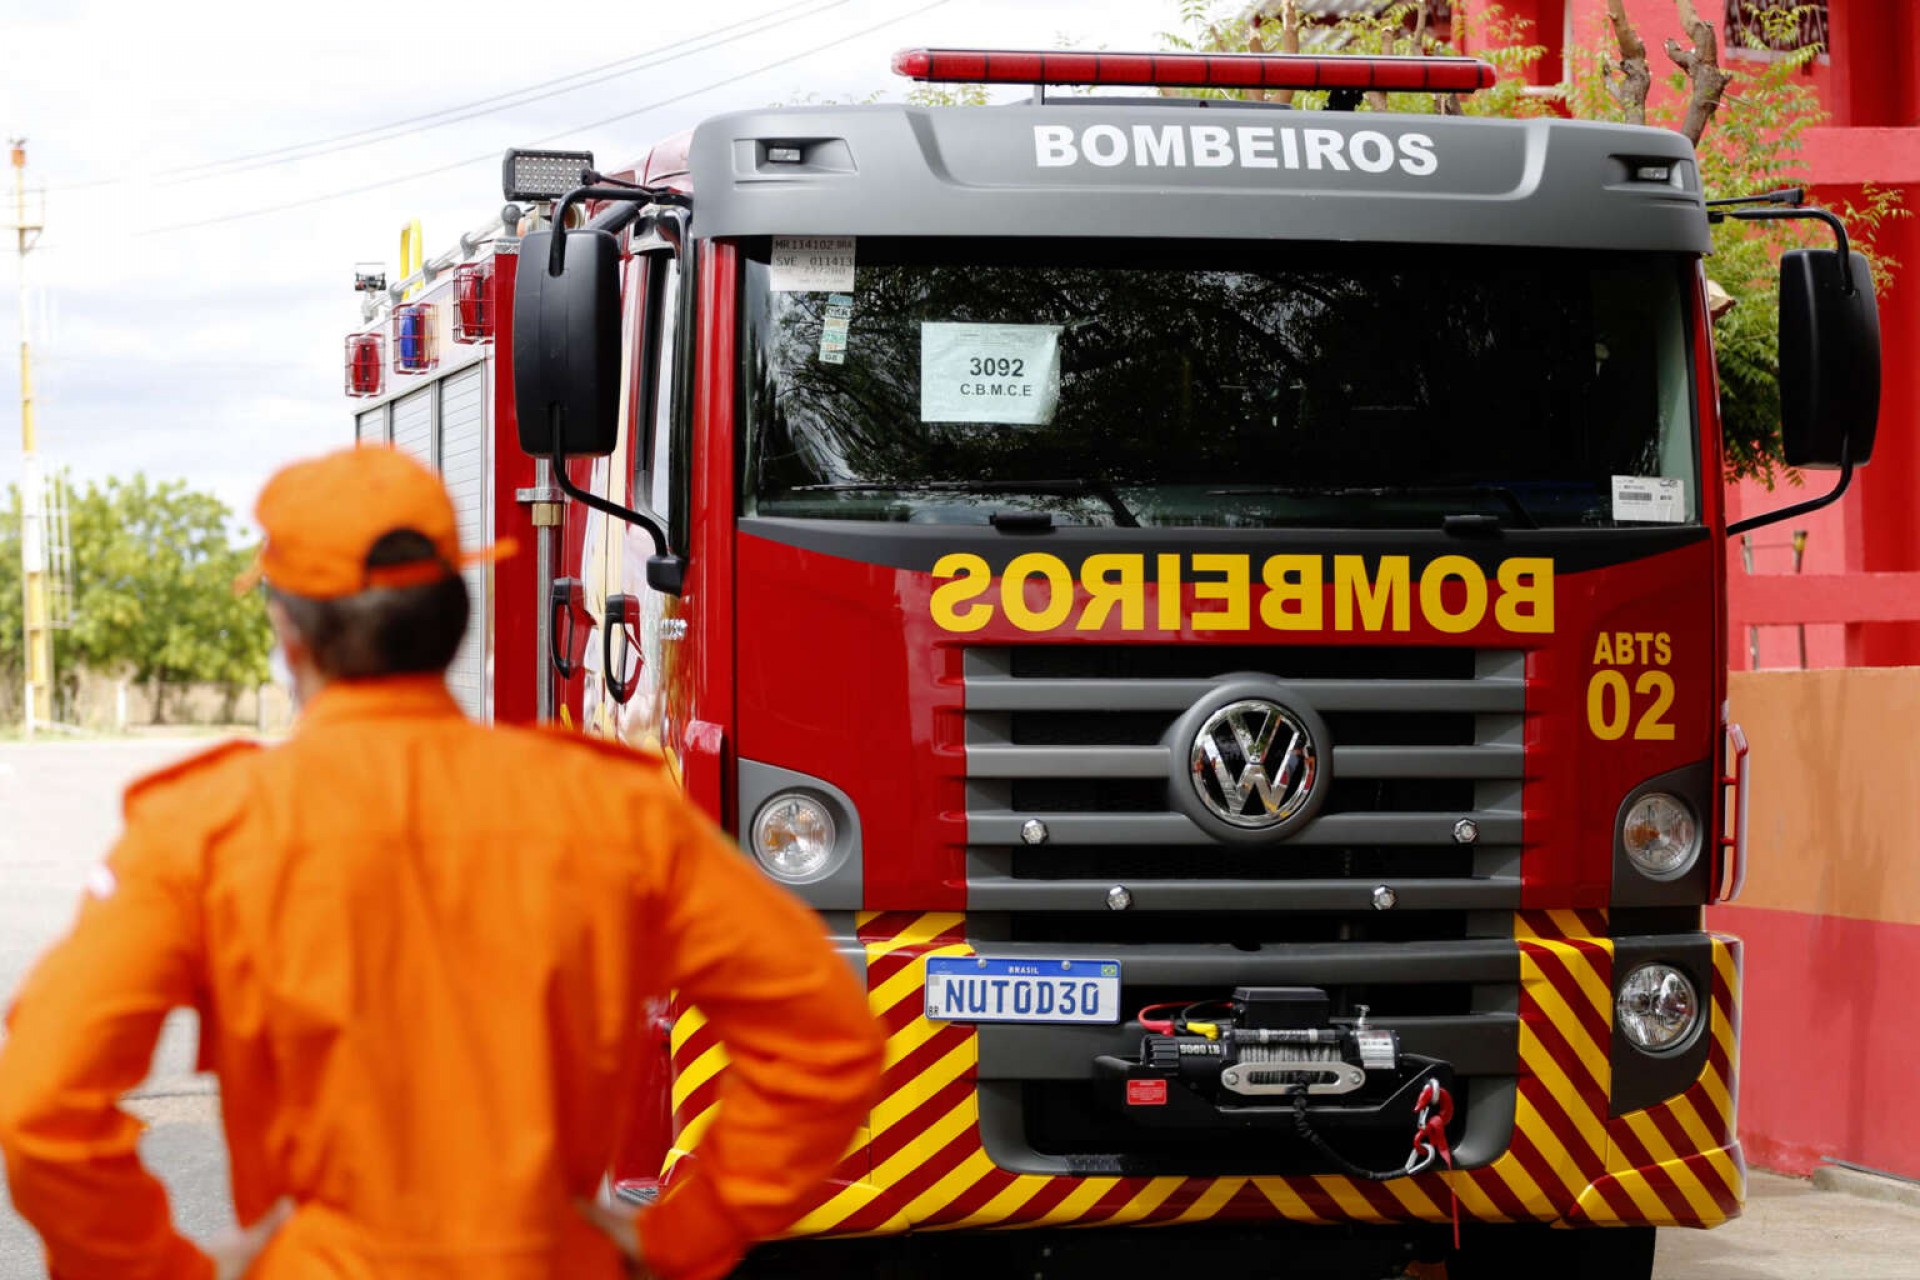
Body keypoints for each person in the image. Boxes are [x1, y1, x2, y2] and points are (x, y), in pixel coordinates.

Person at [0, 445, 885, 1279]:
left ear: (290, 632)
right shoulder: (614, 810)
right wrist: (684, 1235)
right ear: (455, 619)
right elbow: (826, 1041)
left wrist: (165, 1270)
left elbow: (43, 1104)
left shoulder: (204, 828)